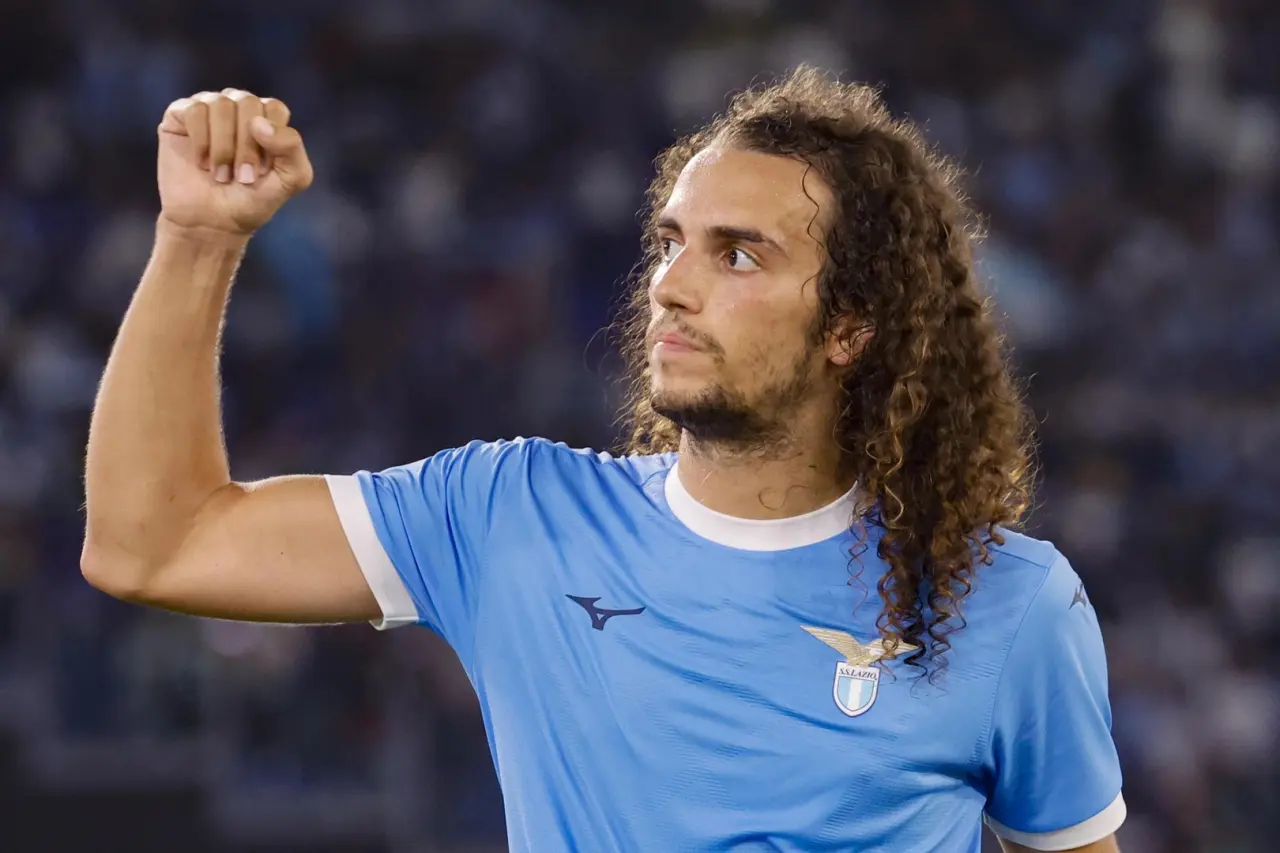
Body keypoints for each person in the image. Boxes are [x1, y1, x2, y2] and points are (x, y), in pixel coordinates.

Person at [81, 68, 1125, 852]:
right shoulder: (509, 515)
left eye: (737, 254)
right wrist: (197, 237)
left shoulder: (1006, 603)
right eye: (671, 241)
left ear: (850, 327)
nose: (670, 283)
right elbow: (152, 544)